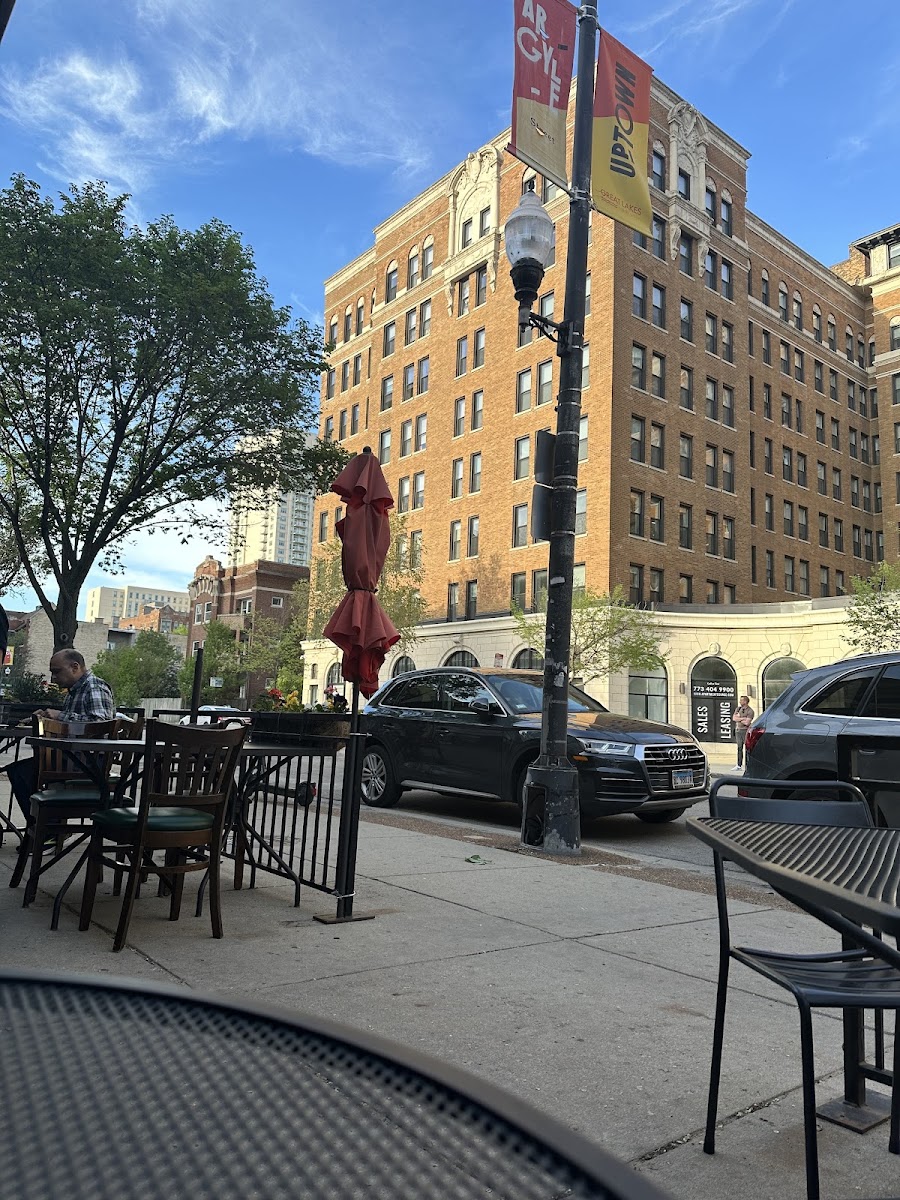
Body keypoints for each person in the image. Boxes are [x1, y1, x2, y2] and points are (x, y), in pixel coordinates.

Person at [5, 649, 115, 818]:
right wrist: (47, 720)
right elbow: (72, 726)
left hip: (91, 762)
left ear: (75, 667)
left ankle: (47, 827)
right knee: (22, 771)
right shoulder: (74, 691)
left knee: (22, 773)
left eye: (57, 672)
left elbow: (102, 723)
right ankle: (46, 826)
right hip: (76, 758)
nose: (53, 677)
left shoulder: (94, 686)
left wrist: (60, 716)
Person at [731, 694, 755, 769]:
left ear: (745, 701)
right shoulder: (738, 709)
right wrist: (743, 718)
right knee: (739, 748)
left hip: (745, 731)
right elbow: (734, 718)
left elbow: (747, 722)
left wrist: (739, 719)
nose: (740, 701)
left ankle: (748, 765)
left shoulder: (750, 711)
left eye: (741, 700)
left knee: (747, 748)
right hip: (738, 730)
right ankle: (739, 765)